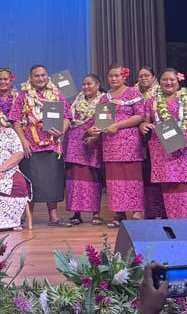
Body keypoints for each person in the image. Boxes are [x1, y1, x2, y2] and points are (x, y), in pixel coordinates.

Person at [9, 64, 71, 227]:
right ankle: (27, 217)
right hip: (31, 145)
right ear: (30, 78)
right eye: (37, 75)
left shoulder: (57, 94)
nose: (41, 78)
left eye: (43, 75)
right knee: (31, 181)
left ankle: (54, 217)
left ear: (47, 76)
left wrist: (62, 131)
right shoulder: (23, 96)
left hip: (52, 144)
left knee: (53, 181)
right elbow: (15, 120)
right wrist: (24, 141)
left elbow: (67, 117)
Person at [141, 69, 187, 218]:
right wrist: (143, 126)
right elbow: (146, 121)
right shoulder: (152, 102)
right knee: (170, 188)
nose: (168, 82)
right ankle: (175, 224)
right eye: (165, 79)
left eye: (172, 79)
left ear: (178, 81)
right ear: (159, 82)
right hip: (164, 151)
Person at [88, 64, 145, 227]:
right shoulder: (105, 98)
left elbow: (140, 116)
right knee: (115, 180)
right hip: (110, 144)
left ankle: (136, 212)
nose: (113, 78)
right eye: (111, 76)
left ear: (124, 77)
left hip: (129, 143)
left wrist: (118, 125)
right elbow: (101, 121)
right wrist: (94, 129)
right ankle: (119, 213)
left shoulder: (133, 92)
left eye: (117, 76)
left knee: (132, 177)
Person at [65, 74, 105, 225]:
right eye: (84, 84)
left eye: (89, 84)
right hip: (74, 141)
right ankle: (76, 214)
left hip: (92, 142)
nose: (86, 87)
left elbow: (105, 121)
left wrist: (95, 135)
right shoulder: (77, 100)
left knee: (92, 176)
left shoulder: (104, 100)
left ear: (97, 84)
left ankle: (96, 213)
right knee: (74, 177)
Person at [136, 67, 166, 219]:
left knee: (159, 178)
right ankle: (150, 212)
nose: (143, 78)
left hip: (159, 140)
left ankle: (163, 212)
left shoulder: (162, 93)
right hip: (137, 140)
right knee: (146, 176)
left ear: (154, 77)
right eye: (140, 76)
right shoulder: (133, 93)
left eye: (146, 75)